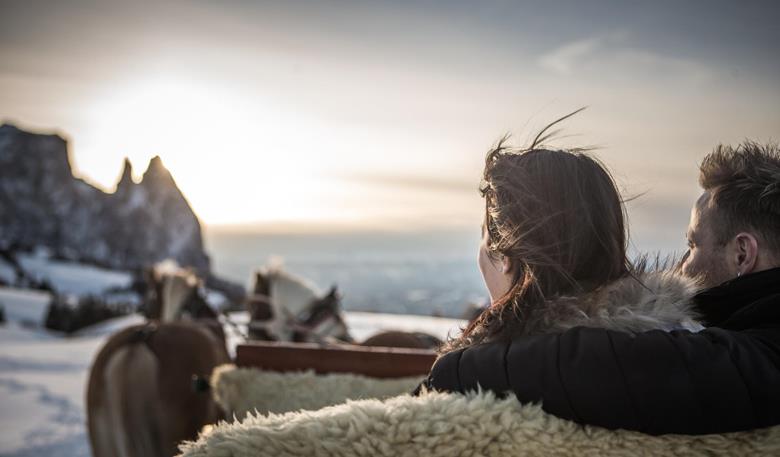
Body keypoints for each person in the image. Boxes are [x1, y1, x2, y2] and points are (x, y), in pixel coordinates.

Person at [417, 139, 780, 436]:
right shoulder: (706, 340)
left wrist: (459, 368)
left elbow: (636, 368)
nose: (683, 266)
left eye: (692, 245)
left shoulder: (752, 354)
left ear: (743, 253)